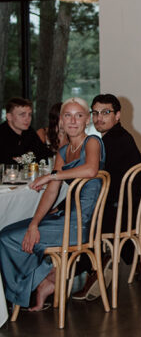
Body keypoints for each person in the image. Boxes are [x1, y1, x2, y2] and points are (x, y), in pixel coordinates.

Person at [0, 97, 105, 312]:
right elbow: (51, 193)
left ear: (87, 120)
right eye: (68, 116)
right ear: (61, 122)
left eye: (79, 116)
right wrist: (34, 224)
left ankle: (30, 286)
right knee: (8, 232)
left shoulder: (92, 142)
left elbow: (90, 170)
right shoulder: (64, 152)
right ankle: (41, 282)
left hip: (81, 223)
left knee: (6, 238)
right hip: (64, 218)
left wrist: (52, 176)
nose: (73, 121)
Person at [72, 94, 141, 301]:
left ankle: (94, 268)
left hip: (120, 214)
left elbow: (97, 182)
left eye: (105, 113)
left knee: (77, 221)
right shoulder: (118, 137)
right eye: (95, 113)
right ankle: (100, 262)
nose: (99, 118)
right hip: (129, 211)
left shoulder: (113, 142)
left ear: (117, 115)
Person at [0, 97, 52, 166]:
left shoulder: (29, 132)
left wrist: (23, 160)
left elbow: (45, 154)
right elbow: (6, 163)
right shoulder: (2, 134)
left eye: (29, 115)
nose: (28, 119)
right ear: (9, 117)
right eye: (22, 115)